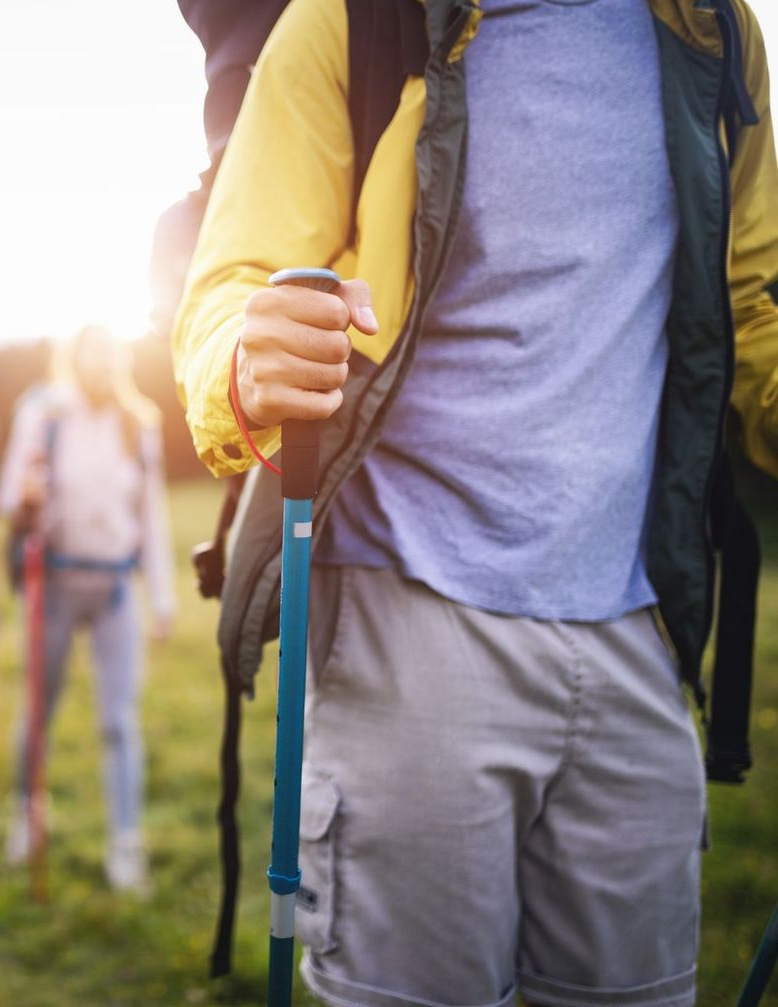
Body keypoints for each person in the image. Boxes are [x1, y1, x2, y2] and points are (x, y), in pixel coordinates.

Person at [172, 3, 778, 1006]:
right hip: (407, 613)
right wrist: (245, 363)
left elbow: (752, 303)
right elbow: (234, 281)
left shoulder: (710, 27)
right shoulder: (352, 19)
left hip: (636, 630)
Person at [0, 324, 176, 892]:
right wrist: (27, 497)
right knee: (38, 710)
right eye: (91, 356)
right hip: (54, 583)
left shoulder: (137, 423)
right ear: (75, 359)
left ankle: (125, 845)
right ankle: (28, 815)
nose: (101, 367)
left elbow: (152, 512)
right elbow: (7, 498)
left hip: (117, 586)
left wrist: (163, 597)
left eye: (110, 356)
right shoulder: (44, 415)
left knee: (120, 719)